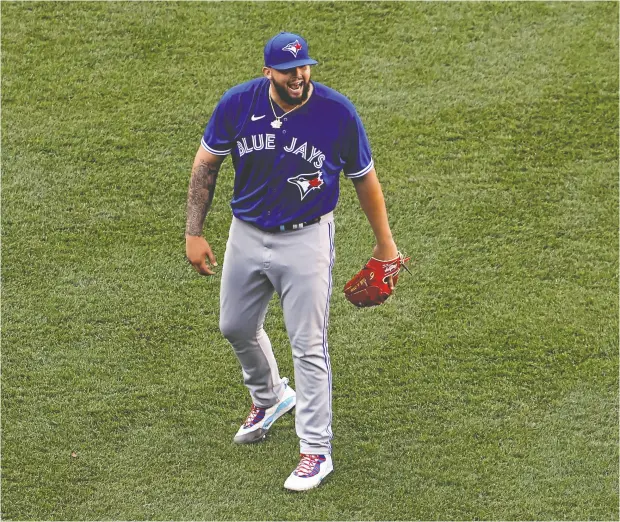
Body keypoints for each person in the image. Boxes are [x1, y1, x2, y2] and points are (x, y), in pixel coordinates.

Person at [185, 31, 400, 491]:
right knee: (235, 326)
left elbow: (365, 179)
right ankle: (271, 397)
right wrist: (194, 232)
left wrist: (386, 245)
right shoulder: (237, 104)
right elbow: (206, 164)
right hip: (245, 233)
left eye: (304, 67)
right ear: (269, 73)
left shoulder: (337, 112)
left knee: (308, 344)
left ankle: (316, 450)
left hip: (306, 240)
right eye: (289, 70)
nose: (299, 76)